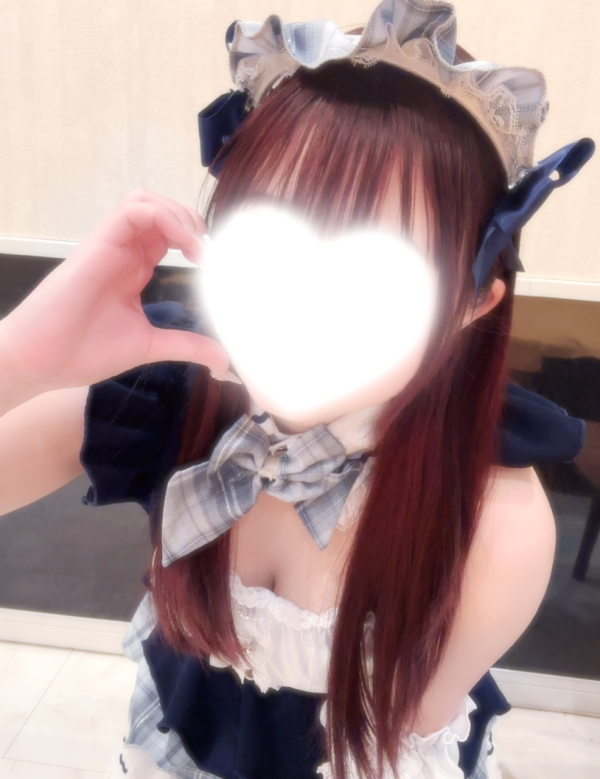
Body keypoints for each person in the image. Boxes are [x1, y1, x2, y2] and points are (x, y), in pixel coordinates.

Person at [0, 2, 593, 778]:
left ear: (470, 304)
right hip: (184, 733)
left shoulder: (490, 522)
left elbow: (386, 748)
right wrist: (21, 358)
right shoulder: (170, 394)